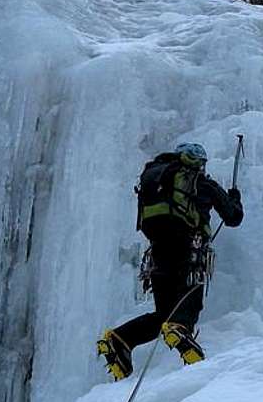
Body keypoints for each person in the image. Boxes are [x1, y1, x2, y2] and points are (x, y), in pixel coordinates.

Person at [97, 142, 244, 380]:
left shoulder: (158, 182)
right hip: (189, 248)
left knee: (163, 313)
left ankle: (119, 339)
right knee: (191, 298)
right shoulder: (202, 183)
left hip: (158, 252)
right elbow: (233, 217)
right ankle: (180, 329)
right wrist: (234, 197)